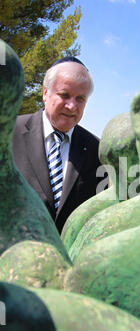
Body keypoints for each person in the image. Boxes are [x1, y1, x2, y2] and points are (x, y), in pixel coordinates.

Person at [12, 57, 106, 233]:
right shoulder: (8, 133)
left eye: (80, 99)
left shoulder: (97, 151)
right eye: (64, 95)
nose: (72, 106)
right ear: (45, 93)